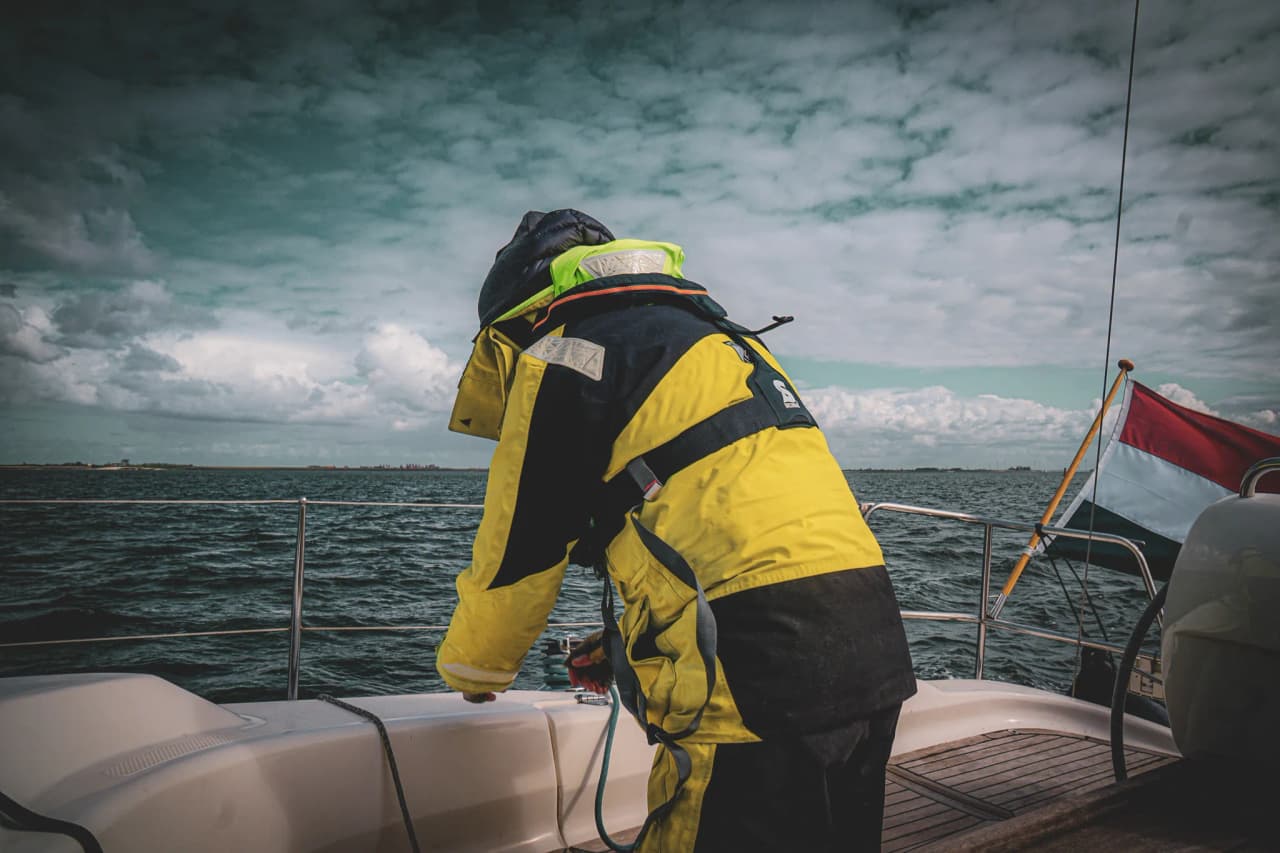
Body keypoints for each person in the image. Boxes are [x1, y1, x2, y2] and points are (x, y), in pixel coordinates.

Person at [436, 209, 916, 851]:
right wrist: (620, 647)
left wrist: (476, 671)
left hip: (753, 677)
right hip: (871, 641)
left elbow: (521, 548)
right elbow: (729, 527)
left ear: (522, 316)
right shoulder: (720, 341)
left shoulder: (564, 353)